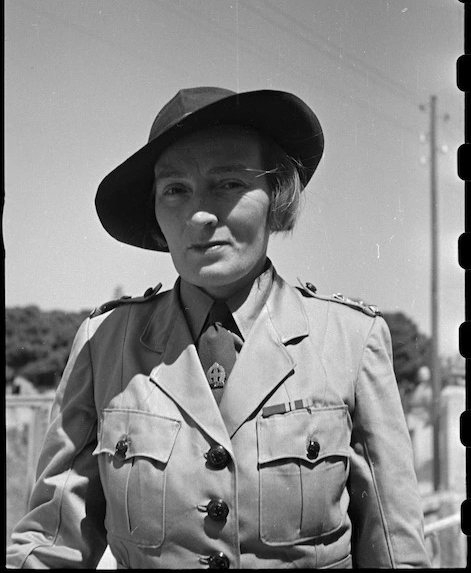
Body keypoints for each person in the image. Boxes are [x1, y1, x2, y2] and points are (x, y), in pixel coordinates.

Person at [7, 87, 430, 569]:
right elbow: (48, 545)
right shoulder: (106, 344)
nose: (201, 215)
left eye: (228, 183)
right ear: (156, 214)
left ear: (276, 195)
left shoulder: (350, 341)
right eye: (176, 190)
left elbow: (397, 554)